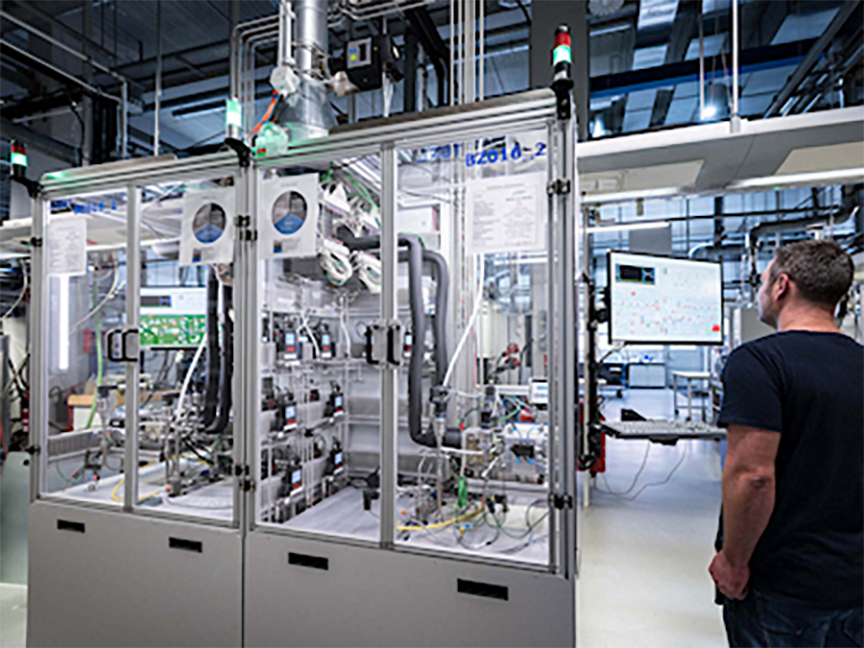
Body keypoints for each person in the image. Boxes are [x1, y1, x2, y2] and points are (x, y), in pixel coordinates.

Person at [709, 239, 863, 647]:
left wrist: (733, 562)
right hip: (855, 581)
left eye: (761, 282)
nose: (759, 293)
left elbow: (753, 476)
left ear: (781, 286)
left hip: (782, 586)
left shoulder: (758, 362)